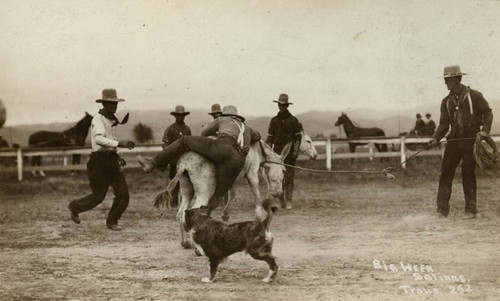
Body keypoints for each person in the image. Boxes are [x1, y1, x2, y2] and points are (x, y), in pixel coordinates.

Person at [137, 105, 261, 211]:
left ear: (225, 114)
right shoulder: (247, 128)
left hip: (223, 147)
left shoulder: (223, 119)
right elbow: (258, 136)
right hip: (238, 161)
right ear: (238, 117)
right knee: (217, 195)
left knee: (185, 140)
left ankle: (153, 163)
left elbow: (204, 133)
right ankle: (203, 223)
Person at [429, 66, 493, 219]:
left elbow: (488, 113)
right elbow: (444, 124)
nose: (445, 83)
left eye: (448, 80)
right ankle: (442, 210)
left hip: (471, 139)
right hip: (454, 140)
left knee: (468, 173)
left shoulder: (475, 96)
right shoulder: (446, 102)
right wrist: (436, 137)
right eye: (445, 80)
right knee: (446, 173)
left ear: (457, 79)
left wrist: (484, 131)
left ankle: (470, 210)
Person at [68, 89, 135, 231]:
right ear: (104, 103)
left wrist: (118, 155)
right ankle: (75, 207)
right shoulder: (98, 119)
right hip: (99, 162)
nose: (114, 107)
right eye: (110, 104)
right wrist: (119, 144)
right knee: (98, 197)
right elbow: (98, 139)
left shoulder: (111, 120)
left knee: (124, 195)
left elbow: (111, 140)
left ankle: (112, 221)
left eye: (115, 104)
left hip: (111, 160)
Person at [266, 93, 301, 210]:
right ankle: (281, 200)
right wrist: (269, 154)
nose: (281, 107)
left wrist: (295, 151)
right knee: (278, 177)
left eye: (284, 105)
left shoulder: (294, 120)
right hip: (276, 154)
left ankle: (289, 200)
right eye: (280, 105)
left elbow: (298, 138)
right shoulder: (274, 121)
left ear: (287, 106)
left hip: (289, 153)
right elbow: (269, 139)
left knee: (289, 176)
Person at [162, 105, 192, 207]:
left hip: (185, 159)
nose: (180, 117)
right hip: (174, 159)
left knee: (186, 181)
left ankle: (185, 202)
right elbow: (165, 144)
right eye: (178, 115)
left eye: (182, 115)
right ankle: (174, 202)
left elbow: (191, 142)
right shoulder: (170, 129)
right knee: (174, 180)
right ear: (175, 116)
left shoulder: (187, 129)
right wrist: (169, 155)